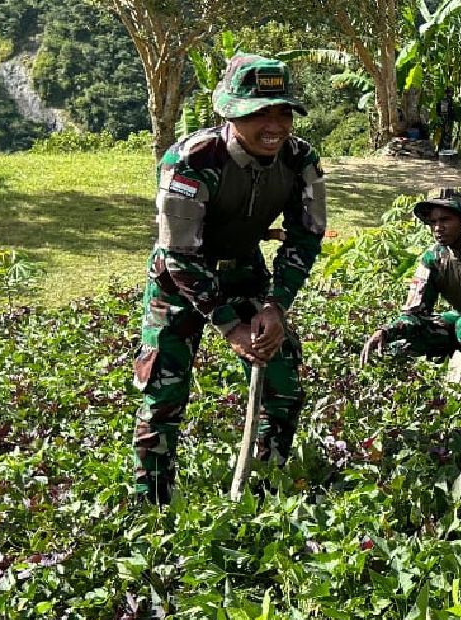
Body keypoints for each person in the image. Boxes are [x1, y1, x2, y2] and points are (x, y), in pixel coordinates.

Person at [131, 54, 326, 505]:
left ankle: (266, 489)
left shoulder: (300, 160)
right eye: (259, 113)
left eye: (283, 112)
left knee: (281, 379)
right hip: (177, 283)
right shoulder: (190, 161)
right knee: (164, 392)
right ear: (230, 113)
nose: (274, 125)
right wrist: (229, 326)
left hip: (243, 271)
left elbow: (305, 236)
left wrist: (275, 307)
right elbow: (179, 254)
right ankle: (150, 508)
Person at [360, 187, 461, 364]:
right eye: (433, 222)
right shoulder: (433, 257)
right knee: (403, 339)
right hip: (460, 319)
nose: (438, 228)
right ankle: (450, 354)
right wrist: (387, 331)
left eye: (445, 220)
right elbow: (415, 311)